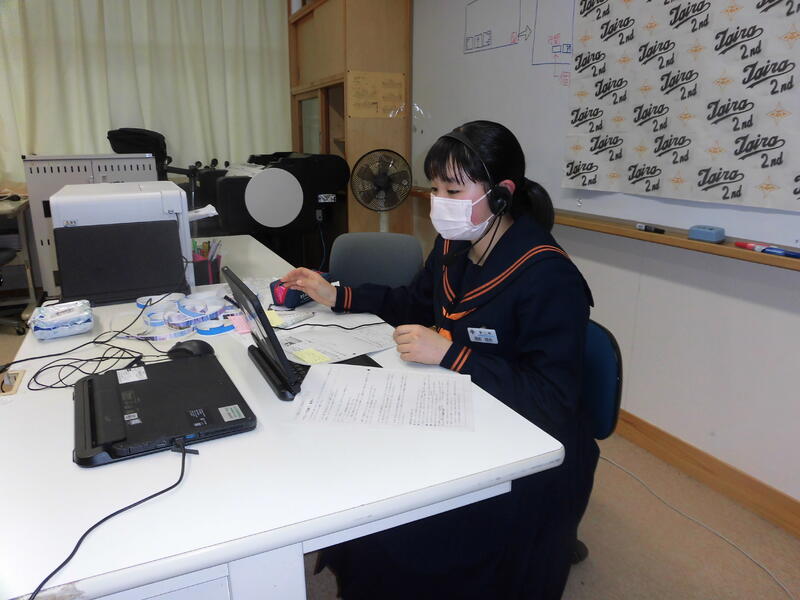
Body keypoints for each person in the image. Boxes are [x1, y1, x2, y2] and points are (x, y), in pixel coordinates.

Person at [281, 120, 598, 599]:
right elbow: (413, 301)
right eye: (435, 188)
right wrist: (339, 295)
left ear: (502, 194)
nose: (439, 202)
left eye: (453, 190)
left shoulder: (548, 275)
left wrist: (453, 354)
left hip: (530, 443)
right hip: (464, 404)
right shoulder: (455, 245)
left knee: (402, 529)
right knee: (365, 472)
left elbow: (551, 398)